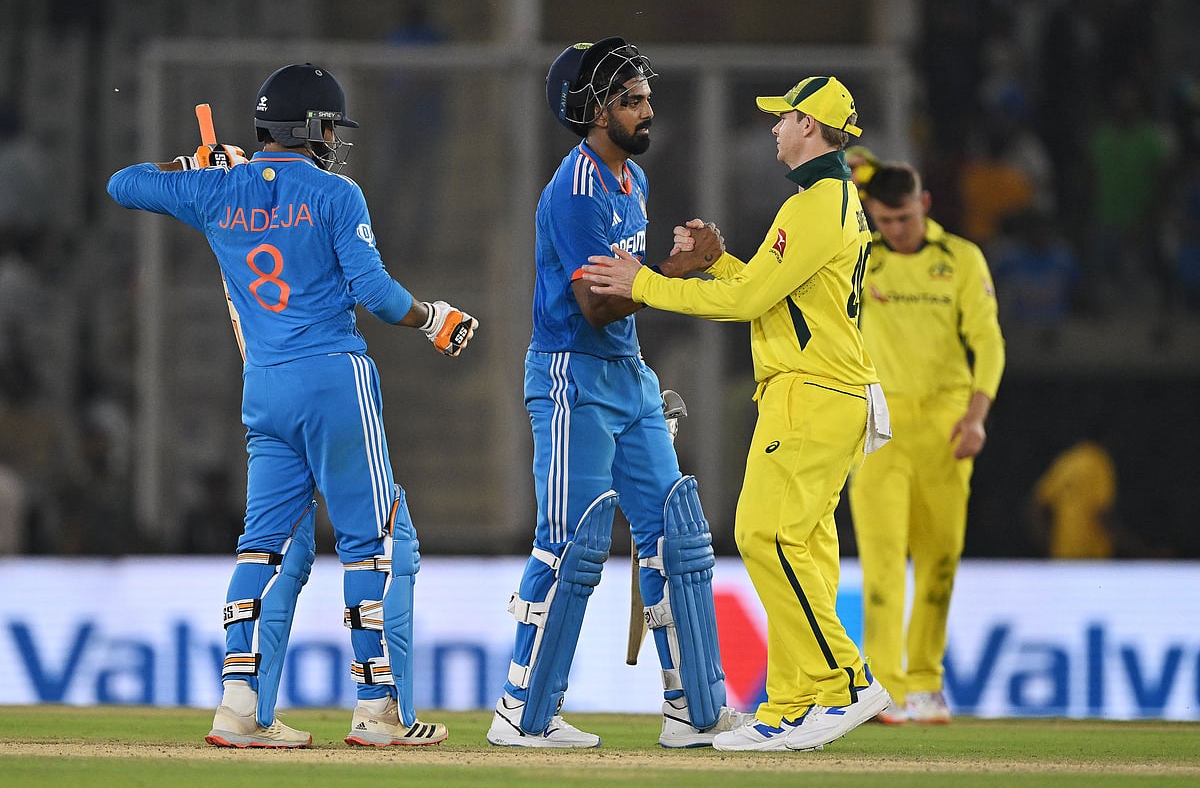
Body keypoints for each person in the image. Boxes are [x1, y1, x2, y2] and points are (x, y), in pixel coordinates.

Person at [107, 63, 478, 749]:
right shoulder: (337, 193)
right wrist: (433, 319)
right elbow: (376, 292)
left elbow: (123, 184)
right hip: (334, 378)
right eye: (330, 125)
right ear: (309, 127)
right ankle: (376, 712)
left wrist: (192, 165)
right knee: (372, 545)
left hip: (265, 387)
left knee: (262, 547)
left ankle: (238, 709)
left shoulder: (218, 189)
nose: (334, 137)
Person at [584, 75, 893, 752]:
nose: (774, 129)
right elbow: (772, 292)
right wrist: (720, 263)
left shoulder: (818, 202)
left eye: (783, 118)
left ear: (809, 125)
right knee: (798, 547)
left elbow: (749, 305)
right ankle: (792, 701)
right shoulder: (829, 202)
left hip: (813, 393)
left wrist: (646, 284)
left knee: (765, 537)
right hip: (821, 391)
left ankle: (843, 681)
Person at [486, 37, 746, 750]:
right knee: (569, 544)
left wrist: (668, 273)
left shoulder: (631, 181)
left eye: (645, 97)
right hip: (573, 376)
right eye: (631, 100)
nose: (647, 111)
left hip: (629, 376)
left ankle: (692, 711)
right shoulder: (573, 193)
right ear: (592, 111)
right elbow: (598, 305)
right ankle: (521, 710)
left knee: (679, 536)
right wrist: (677, 268)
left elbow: (623, 305)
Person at [847, 162, 1005, 725]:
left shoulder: (960, 258)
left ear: (927, 204)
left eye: (905, 217)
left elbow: (988, 342)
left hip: (946, 426)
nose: (896, 229)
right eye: (884, 219)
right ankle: (885, 690)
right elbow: (845, 156)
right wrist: (860, 170)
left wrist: (977, 417)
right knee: (883, 565)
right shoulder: (862, 257)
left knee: (938, 561)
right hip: (879, 429)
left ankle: (926, 683)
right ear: (871, 213)